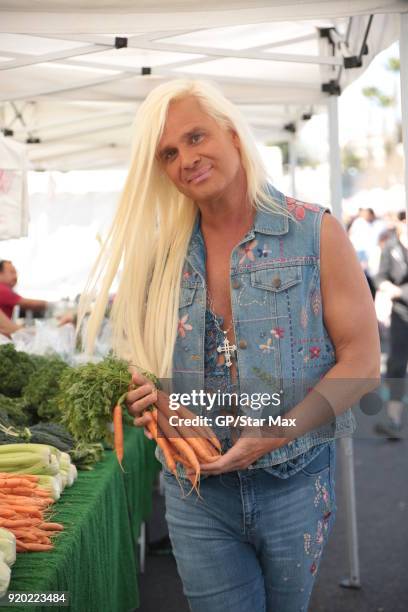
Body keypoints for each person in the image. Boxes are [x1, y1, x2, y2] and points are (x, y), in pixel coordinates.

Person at [81, 80, 380, 612]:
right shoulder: (161, 256)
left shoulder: (314, 232)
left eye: (197, 137)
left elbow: (362, 362)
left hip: (295, 482)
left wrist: (276, 432)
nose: (186, 159)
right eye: (169, 153)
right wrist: (149, 393)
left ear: (233, 135)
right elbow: (134, 361)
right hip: (195, 492)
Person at [374, 210, 408, 440]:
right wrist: (388, 287)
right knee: (396, 366)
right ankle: (393, 419)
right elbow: (380, 276)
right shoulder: (392, 247)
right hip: (401, 313)